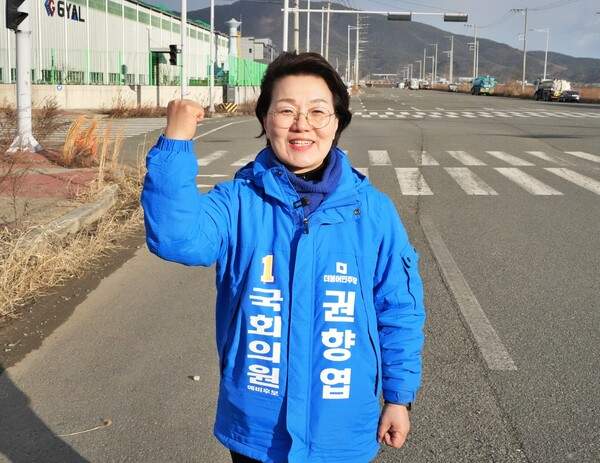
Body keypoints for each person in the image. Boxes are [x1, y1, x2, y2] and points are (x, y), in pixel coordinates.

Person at [141, 52, 425, 463]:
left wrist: (399, 397)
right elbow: (175, 238)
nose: (301, 125)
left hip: (342, 428)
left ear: (338, 122)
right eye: (286, 110)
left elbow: (399, 308)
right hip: (257, 429)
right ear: (265, 119)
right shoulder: (238, 202)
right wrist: (176, 141)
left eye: (318, 111)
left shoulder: (373, 211)